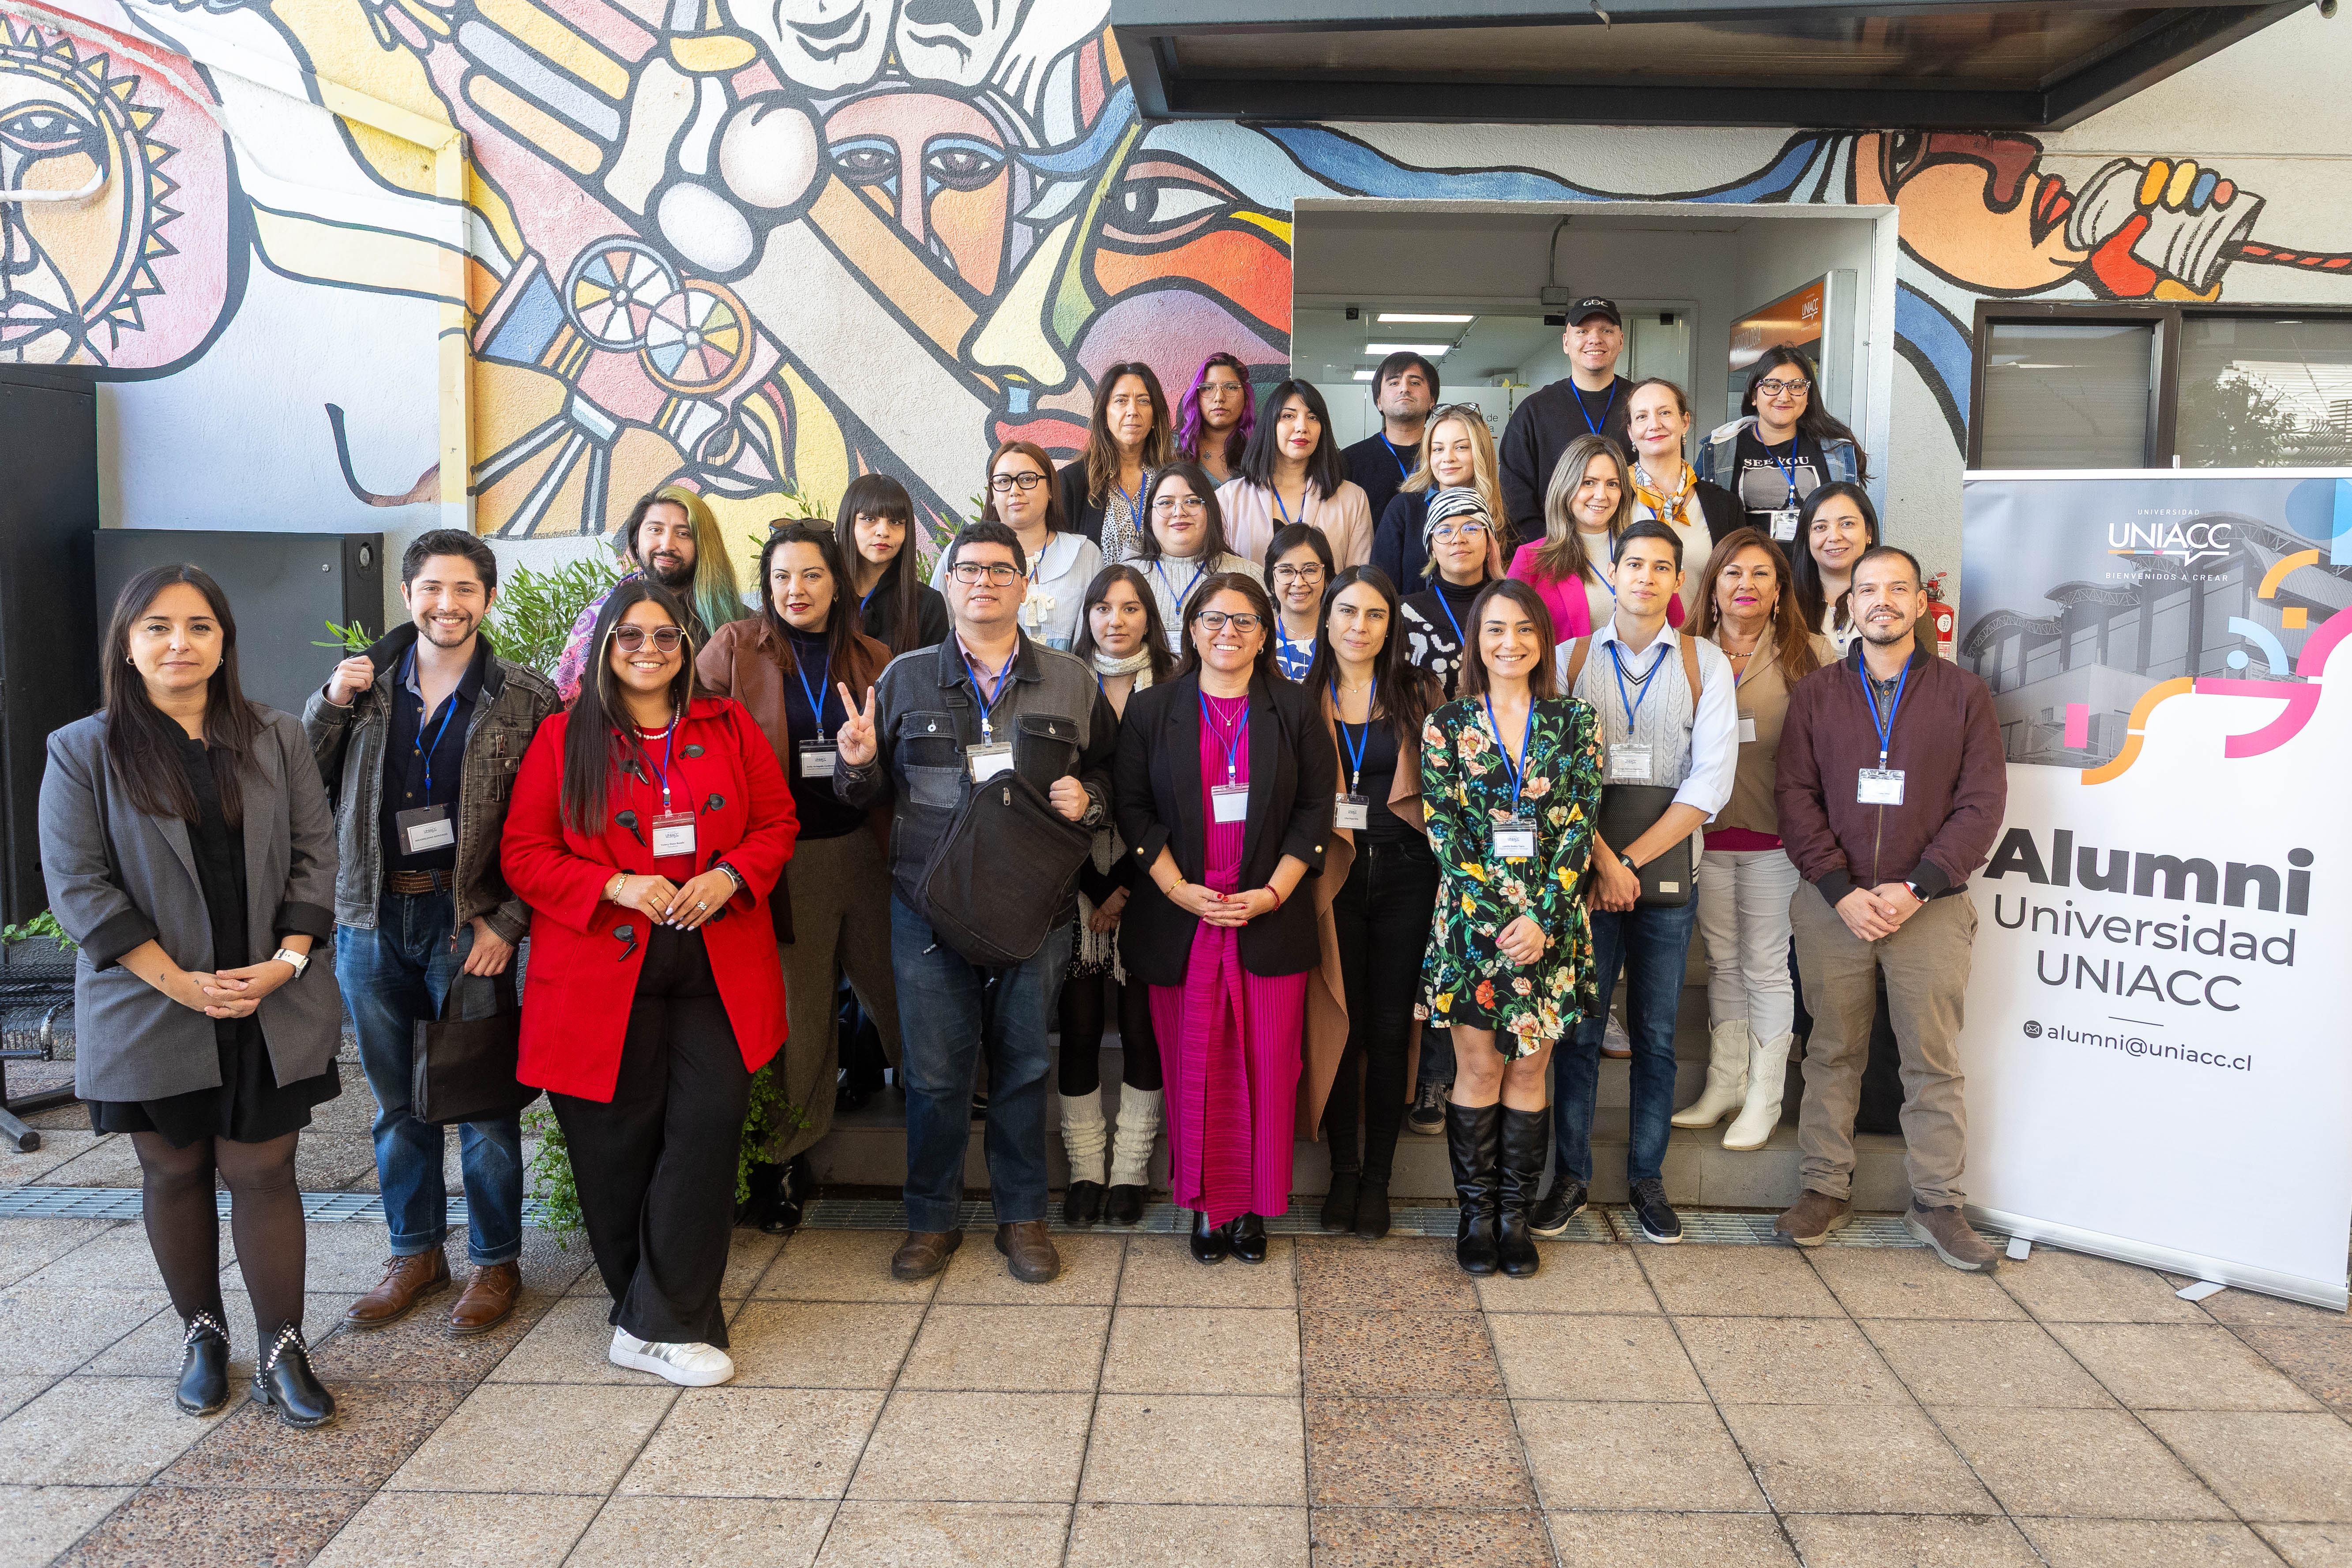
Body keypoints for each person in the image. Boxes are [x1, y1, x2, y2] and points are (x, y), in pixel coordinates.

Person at [41, 565, 342, 1425]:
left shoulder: (276, 736)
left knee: (262, 1167)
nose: (180, 643)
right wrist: (185, 984)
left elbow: (314, 855)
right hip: (149, 1002)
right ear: (127, 646)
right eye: (159, 628)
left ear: (224, 641)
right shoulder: (82, 750)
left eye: (200, 626)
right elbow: (80, 888)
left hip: (268, 998)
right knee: (173, 1169)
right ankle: (203, 1331)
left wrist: (285, 963)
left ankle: (284, 1347)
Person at [503, 580, 796, 1386]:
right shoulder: (567, 738)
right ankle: (651, 1311)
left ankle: (658, 1319)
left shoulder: (727, 724)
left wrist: (733, 874)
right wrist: (614, 885)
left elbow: (777, 824)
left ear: (684, 645)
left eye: (664, 636)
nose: (648, 650)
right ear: (603, 647)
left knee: (708, 1122)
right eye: (629, 636)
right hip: (602, 973)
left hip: (713, 964)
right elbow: (524, 853)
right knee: (615, 1143)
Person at [837, 520, 1119, 1287]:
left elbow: (1113, 777)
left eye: (1002, 569)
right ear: (948, 583)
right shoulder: (903, 679)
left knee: (1025, 1065)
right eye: (969, 569)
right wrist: (857, 764)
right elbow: (866, 793)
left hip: (1035, 910)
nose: (985, 581)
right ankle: (930, 1219)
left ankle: (1021, 1217)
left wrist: (1088, 796)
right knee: (933, 1075)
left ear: (1025, 586)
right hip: (926, 908)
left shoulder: (1071, 679)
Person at [305, 530, 559, 1339]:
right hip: (372, 917)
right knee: (395, 1102)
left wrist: (510, 922)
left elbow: (550, 821)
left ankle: (495, 1258)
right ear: (408, 595)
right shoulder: (363, 686)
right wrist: (328, 704)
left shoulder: (528, 696)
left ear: (488, 598)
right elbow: (298, 780)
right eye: (431, 588)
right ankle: (414, 1252)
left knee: (484, 1101)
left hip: (471, 920)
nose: (447, 604)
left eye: (465, 590)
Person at [1772, 545, 2007, 1271]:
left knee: (1931, 1061)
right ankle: (1824, 1188)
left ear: (1919, 603)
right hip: (1832, 905)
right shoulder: (1814, 695)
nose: (1881, 600)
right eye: (1867, 589)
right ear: (1849, 605)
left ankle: (1938, 1200)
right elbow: (1795, 798)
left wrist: (1916, 887)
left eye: (1896, 589)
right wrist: (1841, 891)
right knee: (1831, 1051)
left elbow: (1981, 804)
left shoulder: (1964, 694)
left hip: (1929, 905)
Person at [1114, 574, 1335, 1265]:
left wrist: (1272, 893)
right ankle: (1208, 1209)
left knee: (1269, 1067)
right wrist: (1175, 887)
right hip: (1182, 917)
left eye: (1244, 622)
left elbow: (1313, 814)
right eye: (1213, 619)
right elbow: (1131, 810)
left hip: (1266, 915)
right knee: (1193, 1067)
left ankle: (1252, 1210)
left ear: (1264, 635)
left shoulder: (1294, 709)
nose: (1227, 633)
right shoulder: (1153, 709)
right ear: (1190, 628)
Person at [1536, 521, 1738, 1247]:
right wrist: (1600, 860)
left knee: (1655, 1033)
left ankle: (1647, 1177)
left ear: (1677, 582)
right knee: (1580, 1031)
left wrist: (1628, 863)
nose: (1647, 578)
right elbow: (1552, 774)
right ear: (1610, 575)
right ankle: (1572, 1175)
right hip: (1585, 871)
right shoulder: (1568, 658)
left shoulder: (1703, 662)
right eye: (1634, 564)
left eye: (1662, 567)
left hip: (1665, 872)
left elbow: (1710, 781)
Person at [697, 523, 898, 1233]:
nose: (796, 590)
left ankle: (937, 1103)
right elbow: (698, 749)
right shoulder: (733, 649)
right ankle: (780, 1161)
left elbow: (894, 767)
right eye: (782, 576)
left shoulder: (875, 657)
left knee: (897, 985)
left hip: (866, 850)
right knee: (802, 1013)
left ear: (837, 582)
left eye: (811, 576)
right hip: (780, 860)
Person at [1420, 579, 1602, 1277]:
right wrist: (1503, 920)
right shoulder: (1448, 724)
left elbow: (1578, 832)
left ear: (1542, 641)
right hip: (1473, 928)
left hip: (1550, 926)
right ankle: (1473, 1217)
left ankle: (1513, 1218)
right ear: (1476, 641)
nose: (1510, 643)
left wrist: (1540, 920)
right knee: (1478, 1066)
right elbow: (1444, 831)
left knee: (1529, 1067)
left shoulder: (1575, 722)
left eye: (1524, 630)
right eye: (1495, 629)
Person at [1672, 530, 1832, 1150]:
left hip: (1774, 838)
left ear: (1778, 589)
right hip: (1702, 836)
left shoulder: (1810, 652)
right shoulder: (1686, 651)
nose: (1746, 585)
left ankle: (1764, 1097)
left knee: (1765, 963)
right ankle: (1724, 1084)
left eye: (1760, 574)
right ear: (1712, 586)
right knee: (1722, 959)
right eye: (1732, 573)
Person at [1304, 566, 1439, 1241]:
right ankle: (1343, 1172)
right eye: (1348, 612)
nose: (1360, 626)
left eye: (1375, 614)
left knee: (1389, 1030)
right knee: (1341, 1023)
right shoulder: (1298, 694)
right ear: (1325, 619)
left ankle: (1379, 1179)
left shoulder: (1417, 691)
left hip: (1408, 876)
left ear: (1391, 625)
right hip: (1330, 877)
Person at [1059, 565, 1175, 1227]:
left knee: (1140, 1031)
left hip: (1154, 884)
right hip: (1074, 884)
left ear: (1148, 616)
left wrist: (1128, 887)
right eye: (1102, 607)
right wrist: (1094, 887)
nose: (1115, 620)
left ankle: (1129, 1170)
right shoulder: (1063, 676)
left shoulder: (1179, 684)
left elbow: (1177, 800)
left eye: (1130, 608)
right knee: (1077, 1029)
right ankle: (1083, 1170)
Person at [553, 486, 744, 703]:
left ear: (703, 545)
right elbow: (574, 706)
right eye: (655, 530)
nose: (667, 545)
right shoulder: (600, 616)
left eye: (683, 534)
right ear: (636, 540)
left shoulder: (738, 624)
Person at [936, 440, 1102, 651]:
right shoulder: (960, 553)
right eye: (1004, 481)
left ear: (1051, 488)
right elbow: (939, 633)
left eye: (1027, 479)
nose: (1015, 490)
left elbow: (1091, 641)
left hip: (1064, 679)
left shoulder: (1084, 554)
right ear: (993, 495)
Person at [1498, 297, 1636, 541]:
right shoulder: (1534, 410)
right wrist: (1548, 550)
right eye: (1583, 331)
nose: (1595, 339)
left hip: (1632, 555)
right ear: (1566, 342)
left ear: (1621, 340)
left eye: (1606, 330)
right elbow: (1514, 495)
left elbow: (1664, 476)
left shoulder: (1643, 406)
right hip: (1552, 556)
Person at [1700, 345, 1866, 546]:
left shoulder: (1837, 452)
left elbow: (1855, 521)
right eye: (1772, 385)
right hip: (1749, 571)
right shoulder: (1718, 451)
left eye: (1796, 386)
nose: (1784, 396)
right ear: (1754, 396)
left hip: (1816, 570)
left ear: (1807, 397)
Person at [1217, 380, 1374, 568]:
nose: (1302, 427)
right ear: (1270, 425)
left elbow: (1357, 583)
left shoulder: (1353, 499)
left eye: (1313, 417)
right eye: (1289, 416)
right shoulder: (1228, 498)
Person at [1372, 403, 1507, 599]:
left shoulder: (1501, 515)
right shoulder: (1404, 509)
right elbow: (1380, 591)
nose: (1448, 458)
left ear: (1481, 453)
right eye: (1438, 449)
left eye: (1461, 447)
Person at [1058, 361, 1172, 562]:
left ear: (1155, 415)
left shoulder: (1173, 479)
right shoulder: (1073, 482)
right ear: (1104, 413)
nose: (1132, 411)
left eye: (1144, 401)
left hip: (1163, 594)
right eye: (1121, 401)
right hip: (1096, 594)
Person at [1133, 463, 1255, 648]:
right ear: (1150, 515)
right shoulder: (1127, 577)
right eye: (1166, 503)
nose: (1179, 512)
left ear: (1210, 510)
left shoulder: (1250, 576)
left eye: (1192, 501)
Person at [1398, 487, 1500, 699]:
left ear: (1490, 543)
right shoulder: (1403, 614)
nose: (1458, 539)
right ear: (1432, 548)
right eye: (1445, 531)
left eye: (1471, 529)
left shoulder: (1513, 608)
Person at [1624, 378, 1740, 553]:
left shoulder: (1725, 505)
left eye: (1665, 413)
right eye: (1642, 417)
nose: (1655, 425)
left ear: (1685, 422)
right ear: (1631, 432)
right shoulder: (1612, 498)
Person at [841, 473, 950, 655]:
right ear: (848, 522)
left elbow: (932, 681)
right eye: (869, 519)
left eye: (896, 522)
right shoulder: (824, 595)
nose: (883, 532)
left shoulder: (927, 604)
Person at [1341, 350, 1439, 526]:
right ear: (1378, 401)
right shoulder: (1349, 461)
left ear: (1432, 400)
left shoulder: (1447, 457)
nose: (1404, 389)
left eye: (1415, 383)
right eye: (1394, 383)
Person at [1788, 482, 1880, 654]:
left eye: (1847, 524)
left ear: (1869, 532)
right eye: (1820, 527)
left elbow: (1925, 674)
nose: (1834, 537)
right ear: (1807, 537)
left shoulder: (1900, 595)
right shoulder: (1783, 599)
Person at [1263, 523, 1336, 681]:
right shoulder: (1259, 636)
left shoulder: (1343, 636)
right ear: (1271, 578)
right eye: (1286, 571)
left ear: (1327, 577)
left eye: (1310, 570)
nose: (1298, 582)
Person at [1173, 351, 1254, 486]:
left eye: (1231, 387)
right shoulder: (1174, 448)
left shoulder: (1261, 450)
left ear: (1246, 397)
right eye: (1208, 388)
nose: (1219, 398)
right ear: (1196, 397)